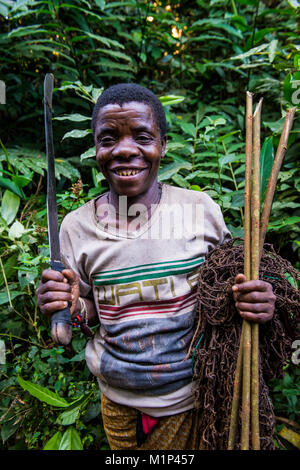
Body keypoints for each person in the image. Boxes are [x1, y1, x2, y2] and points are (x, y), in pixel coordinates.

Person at [36, 83, 276, 450]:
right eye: (108, 138)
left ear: (163, 145)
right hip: (119, 404)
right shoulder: (76, 228)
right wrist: (70, 307)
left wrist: (259, 300)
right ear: (97, 148)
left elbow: (233, 288)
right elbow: (88, 315)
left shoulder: (200, 212)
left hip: (198, 398)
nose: (125, 150)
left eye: (143, 137)